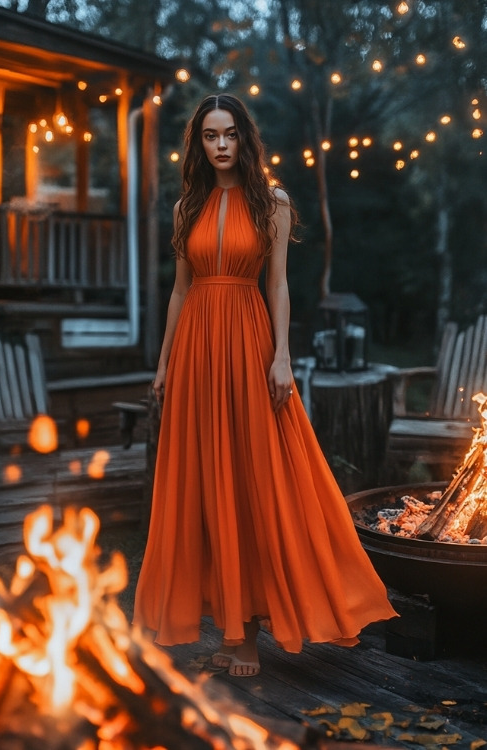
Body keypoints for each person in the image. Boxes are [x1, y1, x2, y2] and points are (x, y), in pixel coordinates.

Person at [133, 93, 396, 677]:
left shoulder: (270, 202)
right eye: (209, 136)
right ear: (198, 143)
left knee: (254, 475)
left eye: (229, 134)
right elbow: (179, 291)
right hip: (198, 348)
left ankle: (248, 632)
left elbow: (277, 286)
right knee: (205, 482)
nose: (221, 145)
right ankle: (226, 626)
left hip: (249, 344)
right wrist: (164, 362)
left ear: (245, 139)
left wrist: (281, 355)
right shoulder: (186, 207)